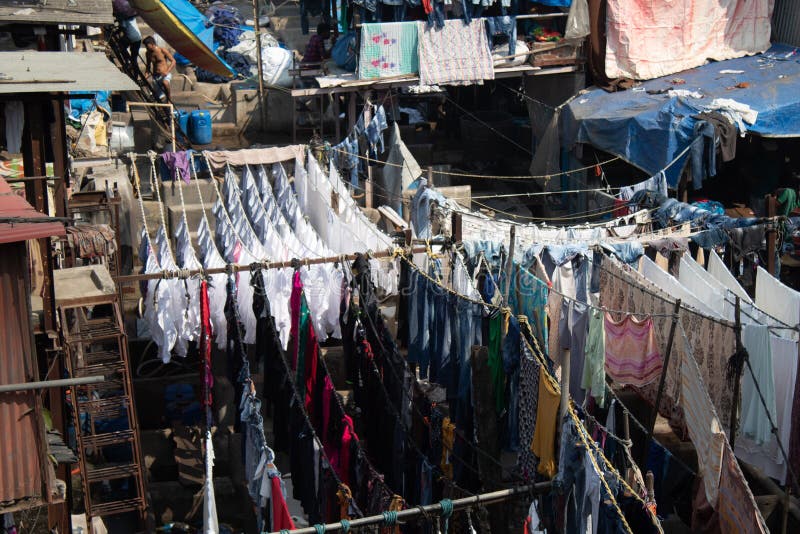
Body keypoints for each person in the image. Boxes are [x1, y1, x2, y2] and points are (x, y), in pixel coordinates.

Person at [144, 36, 176, 101]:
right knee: (159, 98)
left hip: (165, 74)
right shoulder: (148, 53)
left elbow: (173, 61)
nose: (146, 48)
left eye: (147, 46)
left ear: (152, 44)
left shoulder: (162, 50)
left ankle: (169, 99)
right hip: (155, 76)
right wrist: (146, 76)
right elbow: (148, 66)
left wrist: (167, 71)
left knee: (165, 83)